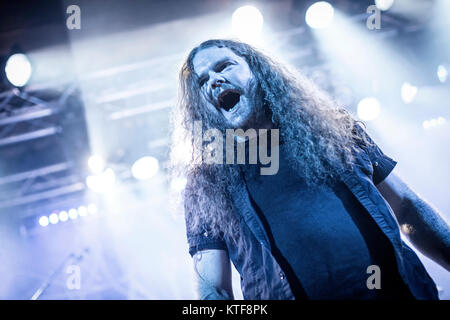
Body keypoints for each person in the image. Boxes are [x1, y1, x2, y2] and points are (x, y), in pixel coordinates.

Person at [170, 39, 450, 300]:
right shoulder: (207, 182)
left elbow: (407, 208)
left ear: (256, 70)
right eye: (202, 81)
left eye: (223, 66)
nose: (214, 81)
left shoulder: (334, 130)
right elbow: (212, 286)